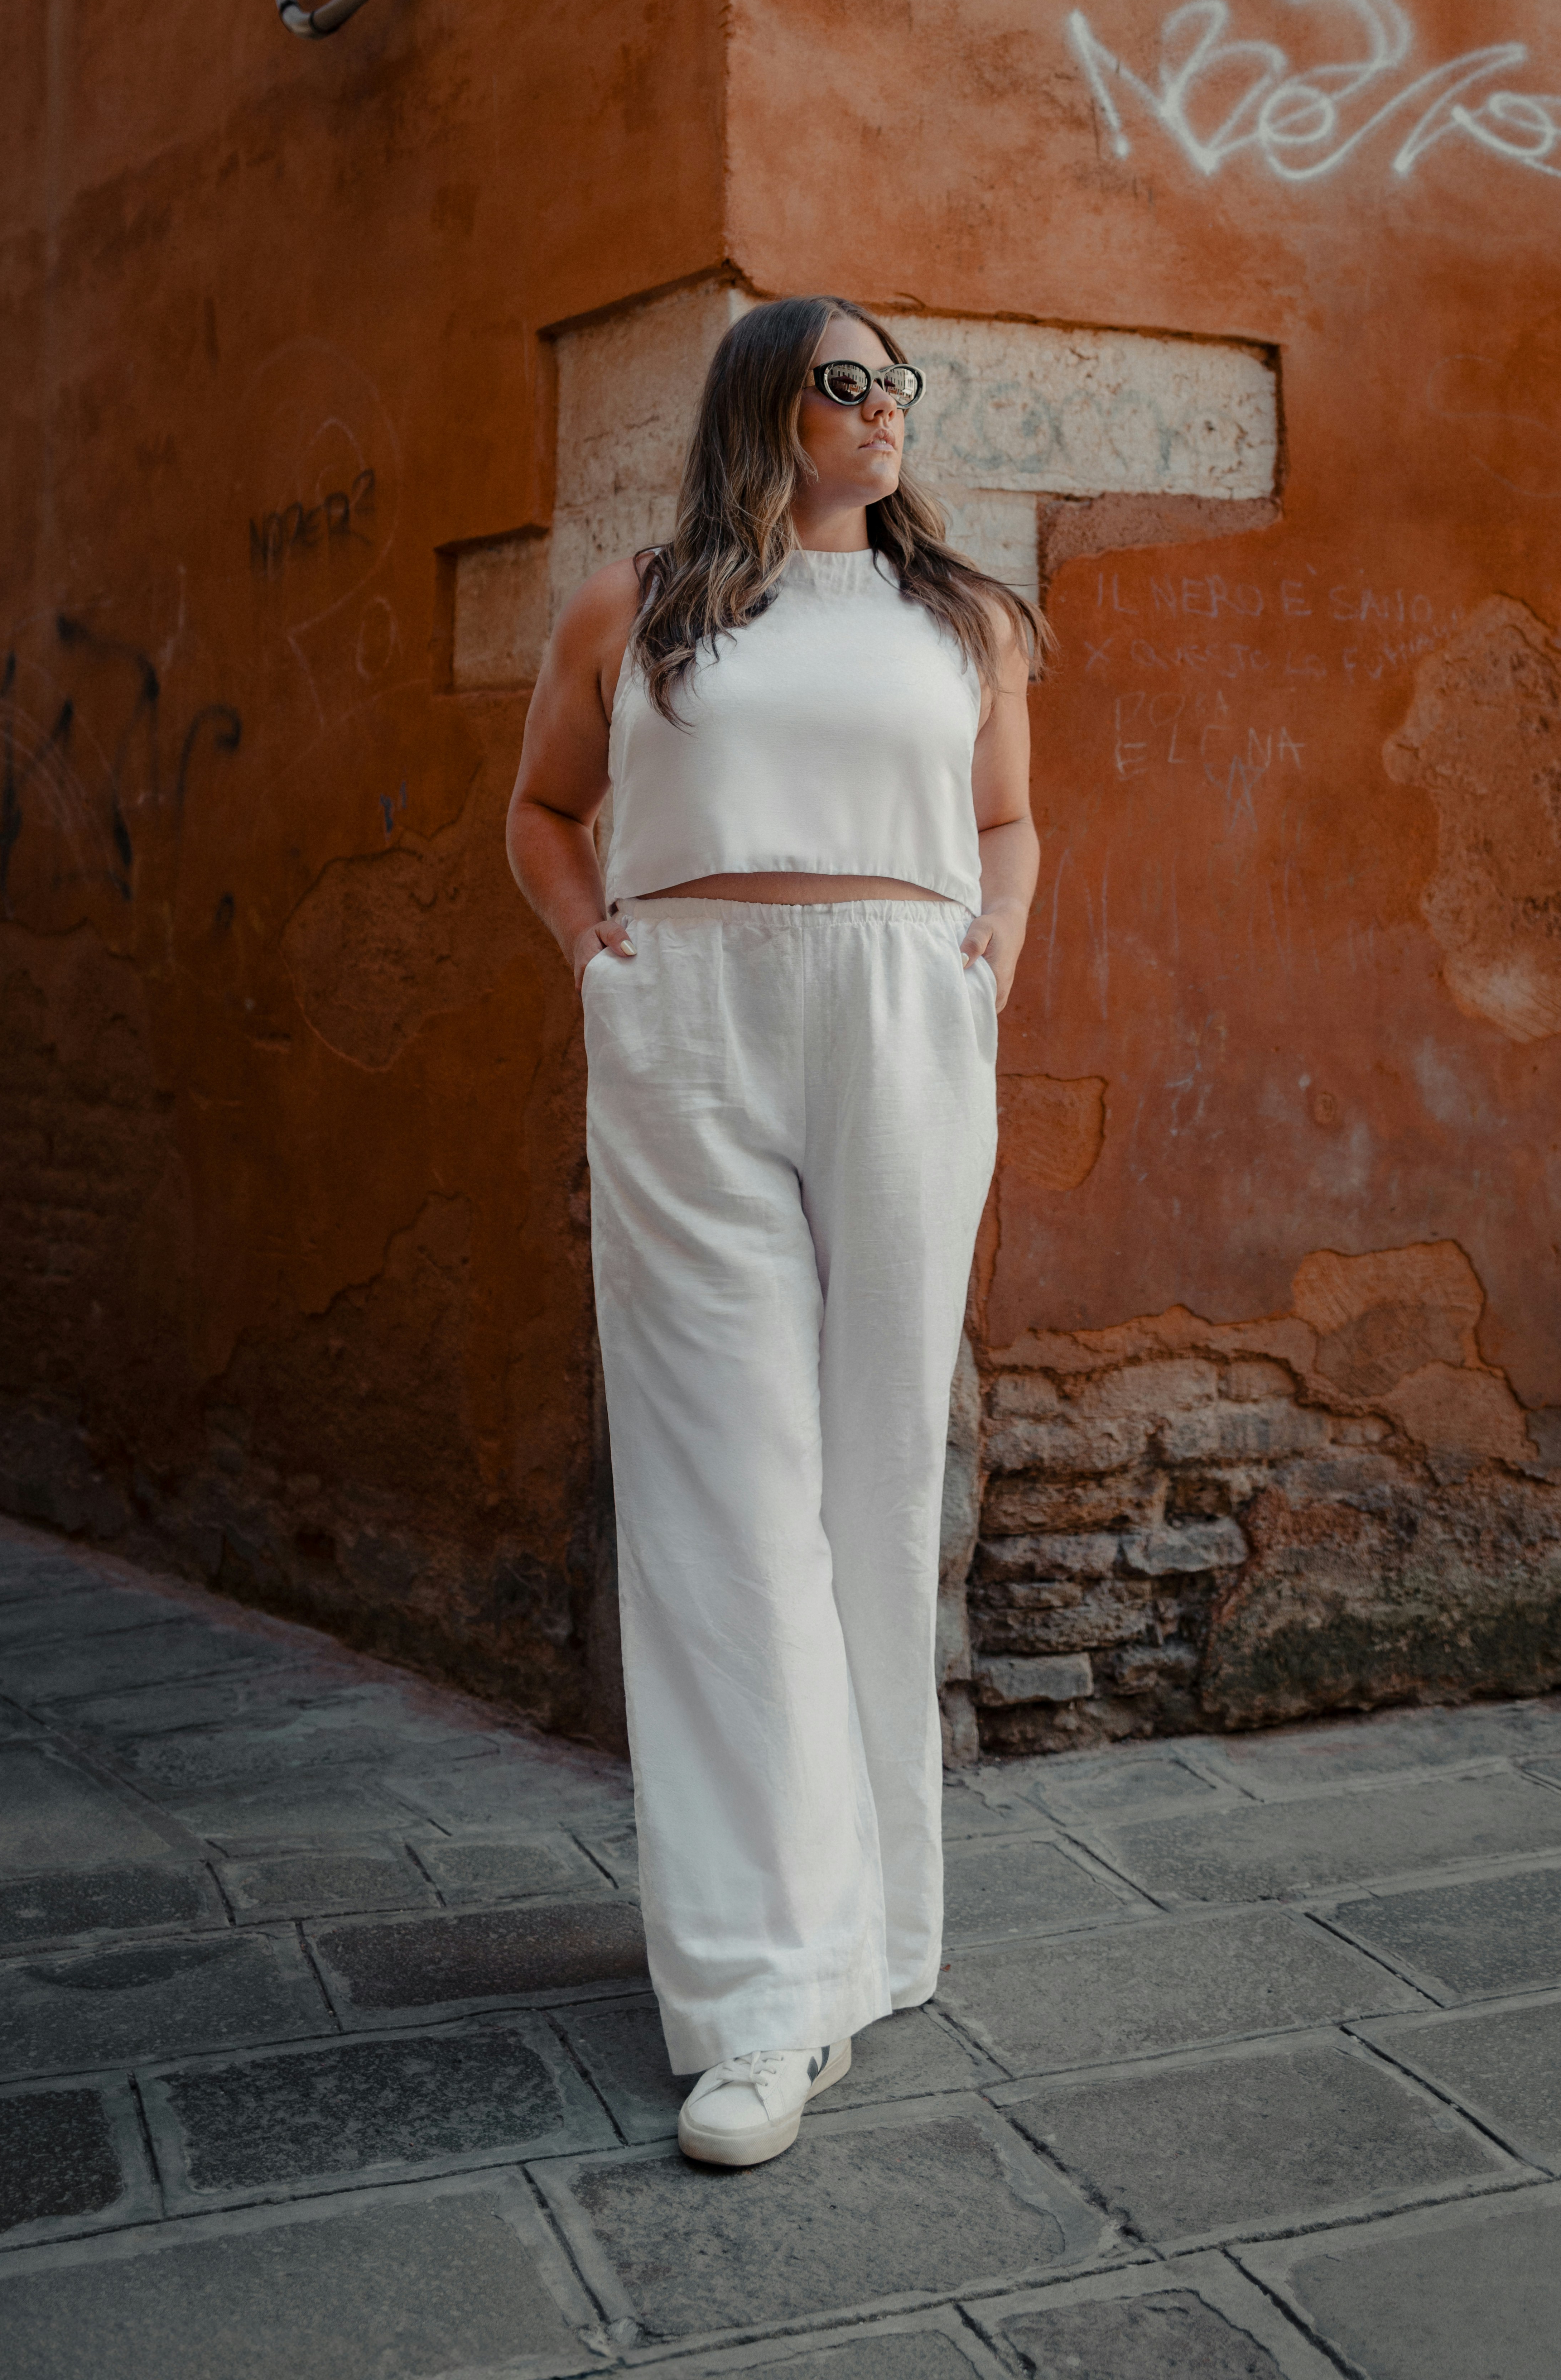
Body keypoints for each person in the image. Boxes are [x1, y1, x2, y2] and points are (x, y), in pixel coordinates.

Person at [506, 294, 1043, 2169]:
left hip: (902, 1018)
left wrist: (992, 952)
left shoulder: (963, 621)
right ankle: (760, 1998)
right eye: (848, 382)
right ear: (766, 406)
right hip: (691, 1026)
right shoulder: (636, 606)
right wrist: (596, 956)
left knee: (875, 1479)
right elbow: (543, 812)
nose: (887, 409)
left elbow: (1010, 826)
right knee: (719, 1492)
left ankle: (872, 1930)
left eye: (901, 383)